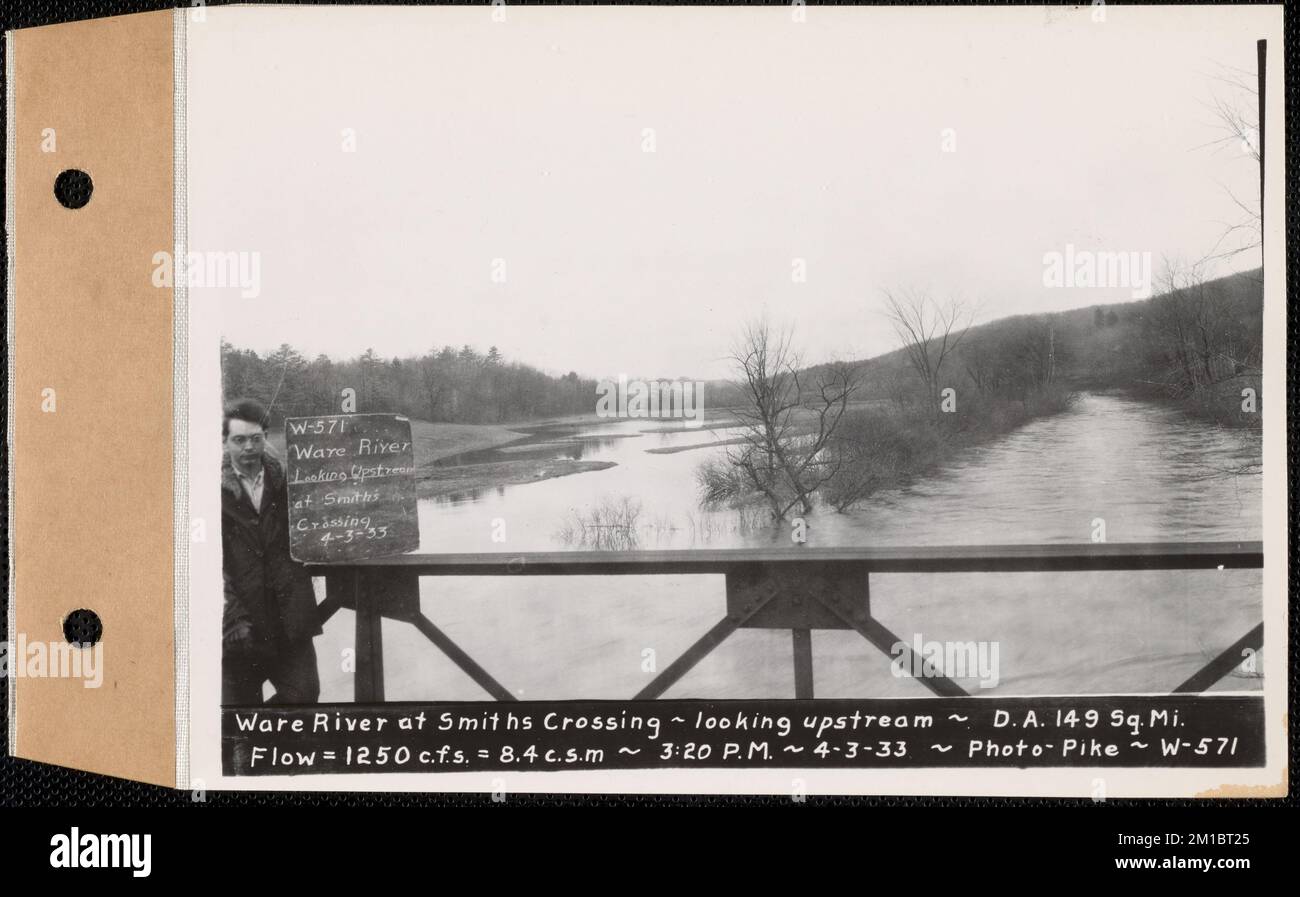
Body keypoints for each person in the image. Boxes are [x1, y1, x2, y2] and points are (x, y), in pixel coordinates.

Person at [221, 398, 323, 704]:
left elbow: (316, 531)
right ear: (224, 441)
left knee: (304, 696)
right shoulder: (209, 493)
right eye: (239, 440)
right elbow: (205, 566)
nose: (249, 447)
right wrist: (232, 619)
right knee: (239, 716)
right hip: (241, 628)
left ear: (266, 436)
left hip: (289, 621)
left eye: (256, 438)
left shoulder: (286, 483)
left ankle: (271, 746)